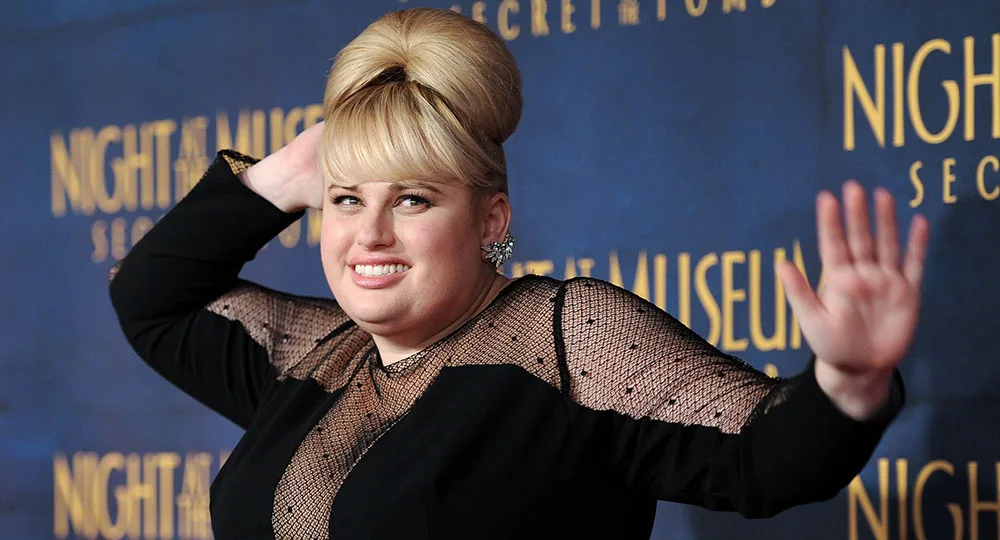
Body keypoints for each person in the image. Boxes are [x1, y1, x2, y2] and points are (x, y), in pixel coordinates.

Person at [108, 7, 930, 540]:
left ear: (492, 220)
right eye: (348, 200)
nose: (370, 234)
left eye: (415, 200)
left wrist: (847, 383)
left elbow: (766, 460)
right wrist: (296, 166)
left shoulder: (564, 340)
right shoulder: (320, 358)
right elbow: (150, 300)